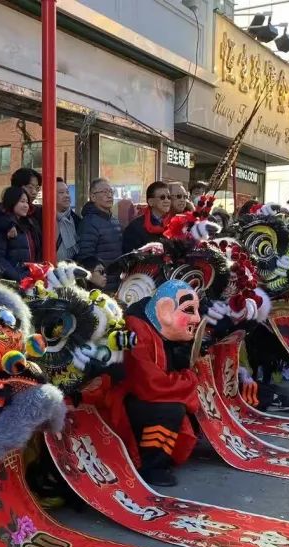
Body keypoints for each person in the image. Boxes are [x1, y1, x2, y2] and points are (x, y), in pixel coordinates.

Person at [108, 280, 202, 487]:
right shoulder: (135, 330)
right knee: (171, 410)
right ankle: (151, 465)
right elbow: (150, 385)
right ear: (165, 310)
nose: (197, 318)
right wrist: (188, 380)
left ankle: (164, 457)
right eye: (189, 310)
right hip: (126, 400)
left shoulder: (156, 327)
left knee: (189, 399)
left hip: (147, 392)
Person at [76, 178, 123, 292]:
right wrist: (95, 273)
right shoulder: (89, 222)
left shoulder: (114, 220)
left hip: (117, 283)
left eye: (111, 192)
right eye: (104, 192)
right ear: (93, 197)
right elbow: (85, 255)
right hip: (99, 286)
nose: (109, 195)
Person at [0, 186, 40, 281]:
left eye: (27, 202)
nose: (26, 205)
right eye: (22, 201)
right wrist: (17, 276)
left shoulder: (29, 224)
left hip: (30, 277)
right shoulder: (5, 225)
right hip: (14, 281)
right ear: (12, 202)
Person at [121, 181, 171, 255]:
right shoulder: (135, 227)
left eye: (169, 197)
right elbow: (129, 256)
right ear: (151, 202)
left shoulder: (174, 223)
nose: (167, 200)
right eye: (162, 197)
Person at [54, 176, 81, 262]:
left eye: (67, 192)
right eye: (61, 193)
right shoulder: (41, 219)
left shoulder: (77, 220)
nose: (66, 196)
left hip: (72, 270)